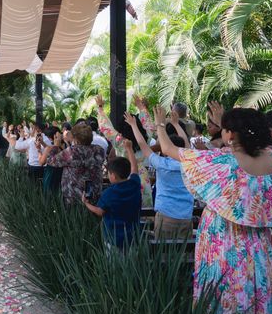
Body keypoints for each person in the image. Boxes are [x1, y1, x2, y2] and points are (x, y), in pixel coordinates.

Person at [153, 104, 272, 314]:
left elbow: (169, 149)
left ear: (230, 134)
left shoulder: (222, 162)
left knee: (224, 291)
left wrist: (160, 124)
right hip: (257, 246)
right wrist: (232, 124)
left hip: (222, 241)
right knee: (253, 288)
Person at [123, 111, 194, 239]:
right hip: (186, 216)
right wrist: (176, 124)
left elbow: (142, 145)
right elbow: (186, 145)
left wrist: (134, 125)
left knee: (163, 255)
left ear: (166, 150)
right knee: (183, 255)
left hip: (166, 215)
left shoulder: (162, 164)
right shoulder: (189, 163)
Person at [82, 140, 141, 249]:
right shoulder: (135, 184)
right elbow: (134, 168)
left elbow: (100, 212)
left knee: (114, 263)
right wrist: (129, 149)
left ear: (112, 176)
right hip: (133, 236)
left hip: (113, 238)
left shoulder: (109, 193)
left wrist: (87, 204)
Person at [96, 94, 153, 208]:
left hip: (124, 176)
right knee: (144, 212)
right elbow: (148, 125)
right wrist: (141, 108)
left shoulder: (119, 140)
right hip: (142, 176)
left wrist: (100, 108)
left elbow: (105, 127)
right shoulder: (145, 138)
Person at [42, 123, 106, 205]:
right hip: (94, 192)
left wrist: (56, 145)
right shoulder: (99, 150)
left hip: (74, 195)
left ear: (76, 138)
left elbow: (51, 161)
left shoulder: (72, 152)